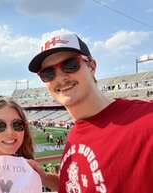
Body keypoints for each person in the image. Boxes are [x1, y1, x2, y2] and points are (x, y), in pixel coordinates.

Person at [27, 30, 153, 192]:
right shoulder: (77, 132)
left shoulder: (147, 123)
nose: (60, 77)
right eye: (48, 73)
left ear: (91, 66)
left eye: (70, 64)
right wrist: (45, 179)